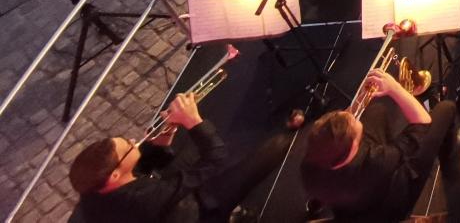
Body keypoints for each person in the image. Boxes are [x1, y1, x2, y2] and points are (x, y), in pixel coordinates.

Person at [68, 93, 292, 223]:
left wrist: (165, 137)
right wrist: (193, 120)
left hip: (161, 207)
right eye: (127, 146)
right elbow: (215, 158)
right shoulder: (146, 198)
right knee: (274, 149)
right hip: (188, 214)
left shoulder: (93, 193)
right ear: (114, 174)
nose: (133, 141)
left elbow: (139, 168)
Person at [301, 69, 459, 222]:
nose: (352, 115)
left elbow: (348, 118)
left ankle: (315, 207)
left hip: (349, 208)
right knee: (446, 108)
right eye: (357, 126)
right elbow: (423, 123)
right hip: (393, 205)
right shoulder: (378, 161)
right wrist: (394, 88)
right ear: (354, 148)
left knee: (376, 111)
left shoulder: (308, 165)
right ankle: (451, 167)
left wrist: (358, 101)